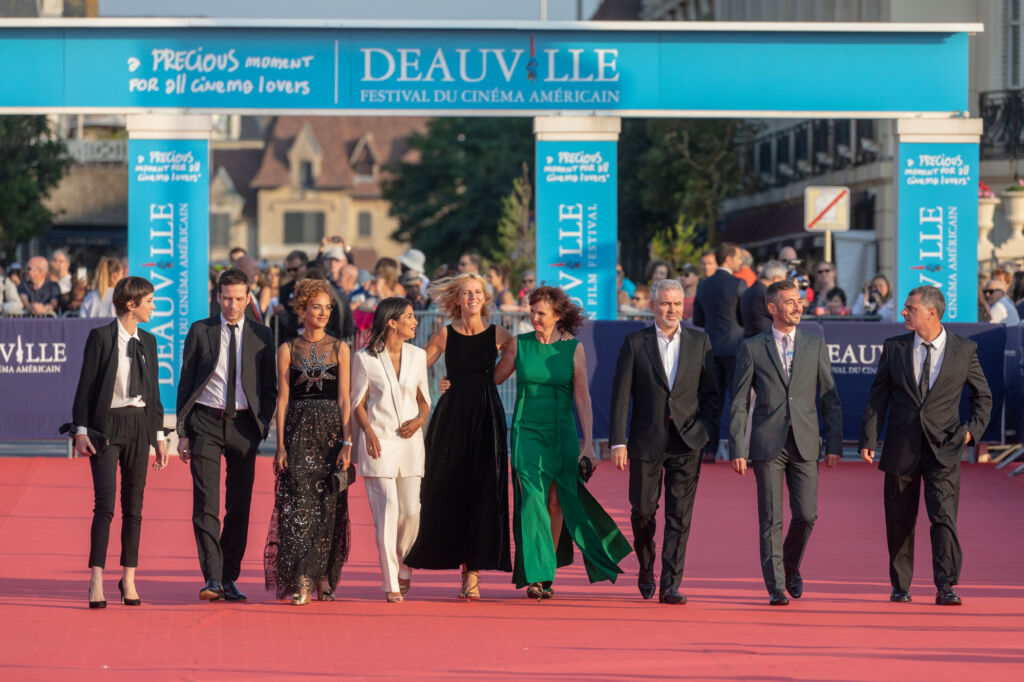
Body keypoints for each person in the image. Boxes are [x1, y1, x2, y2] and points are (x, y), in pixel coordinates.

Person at [494, 286, 631, 599]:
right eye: (532, 312)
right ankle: (538, 573)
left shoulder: (573, 348)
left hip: (562, 434)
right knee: (531, 501)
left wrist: (588, 444)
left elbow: (582, 397)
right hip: (526, 432)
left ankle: (545, 573)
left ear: (557, 315)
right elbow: (493, 378)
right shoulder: (520, 345)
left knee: (557, 503)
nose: (534, 317)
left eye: (541, 313)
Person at [859, 286, 992, 606]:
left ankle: (946, 585)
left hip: (945, 447)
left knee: (944, 518)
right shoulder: (894, 348)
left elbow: (983, 398)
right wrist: (869, 437)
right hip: (901, 447)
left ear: (931, 313)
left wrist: (970, 434)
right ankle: (900, 585)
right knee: (899, 519)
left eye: (910, 308)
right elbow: (878, 397)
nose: (903, 312)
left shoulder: (964, 349)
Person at [728, 279, 843, 605]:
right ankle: (776, 585)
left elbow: (830, 397)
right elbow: (738, 403)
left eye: (799, 301)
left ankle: (790, 564)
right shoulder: (752, 347)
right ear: (772, 308)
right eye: (790, 302)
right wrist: (738, 446)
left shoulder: (814, 344)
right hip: (767, 443)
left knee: (807, 514)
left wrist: (834, 441)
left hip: (805, 441)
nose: (797, 306)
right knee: (770, 518)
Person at [609, 279, 721, 604]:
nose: (671, 309)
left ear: (683, 306)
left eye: (676, 303)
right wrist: (618, 441)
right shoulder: (635, 343)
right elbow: (620, 397)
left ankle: (670, 584)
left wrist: (705, 430)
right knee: (642, 511)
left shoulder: (701, 342)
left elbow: (712, 395)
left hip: (688, 441)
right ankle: (646, 566)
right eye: (665, 303)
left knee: (679, 515)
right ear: (652, 306)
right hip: (646, 440)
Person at [405, 274, 514, 599]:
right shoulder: (445, 333)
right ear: (457, 299)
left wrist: (492, 379)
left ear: (485, 298)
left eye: (477, 292)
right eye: (467, 293)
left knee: (483, 489)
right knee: (445, 487)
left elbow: (515, 351)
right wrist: (431, 387)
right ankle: (434, 558)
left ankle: (473, 573)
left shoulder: (498, 334)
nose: (472, 297)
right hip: (451, 416)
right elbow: (415, 366)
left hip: (485, 415)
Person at [176, 267, 278, 602]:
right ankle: (213, 578)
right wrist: (183, 431)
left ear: (248, 298)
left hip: (244, 427)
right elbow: (186, 383)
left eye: (238, 299)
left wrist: (261, 425)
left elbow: (268, 387)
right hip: (205, 421)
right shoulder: (200, 331)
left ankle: (229, 575)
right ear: (217, 297)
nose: (232, 305)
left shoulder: (262, 335)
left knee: (239, 505)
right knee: (206, 502)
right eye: (226, 298)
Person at [72, 276, 169, 608]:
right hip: (106, 427)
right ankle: (96, 578)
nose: (154, 306)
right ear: (132, 304)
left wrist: (159, 436)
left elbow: (154, 393)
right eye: (150, 301)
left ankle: (128, 577)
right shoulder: (100, 338)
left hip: (140, 424)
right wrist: (81, 430)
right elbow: (85, 388)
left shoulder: (150, 342)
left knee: (135, 506)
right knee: (105, 505)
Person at [264, 279, 352, 606]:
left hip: (331, 436)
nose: (323, 313)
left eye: (328, 307)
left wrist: (348, 443)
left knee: (329, 507)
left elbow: (344, 399)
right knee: (299, 507)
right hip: (298, 435)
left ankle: (324, 577)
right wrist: (281, 446)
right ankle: (302, 577)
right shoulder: (287, 350)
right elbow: (283, 399)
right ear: (302, 309)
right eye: (316, 307)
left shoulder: (341, 348)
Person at [351, 298, 431, 603]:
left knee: (412, 511)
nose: (414, 322)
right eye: (409, 317)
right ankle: (390, 583)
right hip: (379, 443)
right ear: (392, 323)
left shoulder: (418, 355)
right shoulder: (365, 358)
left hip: (411, 442)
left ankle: (405, 563)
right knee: (387, 514)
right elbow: (357, 402)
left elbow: (425, 399)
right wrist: (368, 432)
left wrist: (421, 420)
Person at [693, 242, 747, 408]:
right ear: (728, 259)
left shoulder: (703, 285)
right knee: (738, 403)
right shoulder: (739, 283)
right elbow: (745, 316)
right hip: (735, 348)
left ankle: (710, 435)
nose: (741, 261)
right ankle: (737, 436)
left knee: (711, 404)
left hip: (711, 348)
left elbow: (697, 319)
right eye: (738, 258)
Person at [740, 260, 786, 338]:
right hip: (763, 343)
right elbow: (784, 316)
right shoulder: (766, 295)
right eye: (783, 280)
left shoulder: (748, 291)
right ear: (776, 279)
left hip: (749, 341)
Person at [234, 255, 267, 325]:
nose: (258, 272)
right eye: (254, 269)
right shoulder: (232, 294)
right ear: (243, 270)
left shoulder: (249, 291)